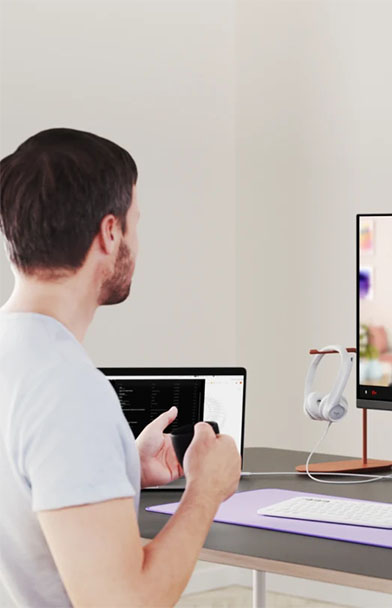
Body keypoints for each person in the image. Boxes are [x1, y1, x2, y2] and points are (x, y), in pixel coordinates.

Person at [0, 128, 241, 606]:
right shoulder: (67, 389)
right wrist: (205, 491)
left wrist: (121, 466)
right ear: (110, 233)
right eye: (135, 222)